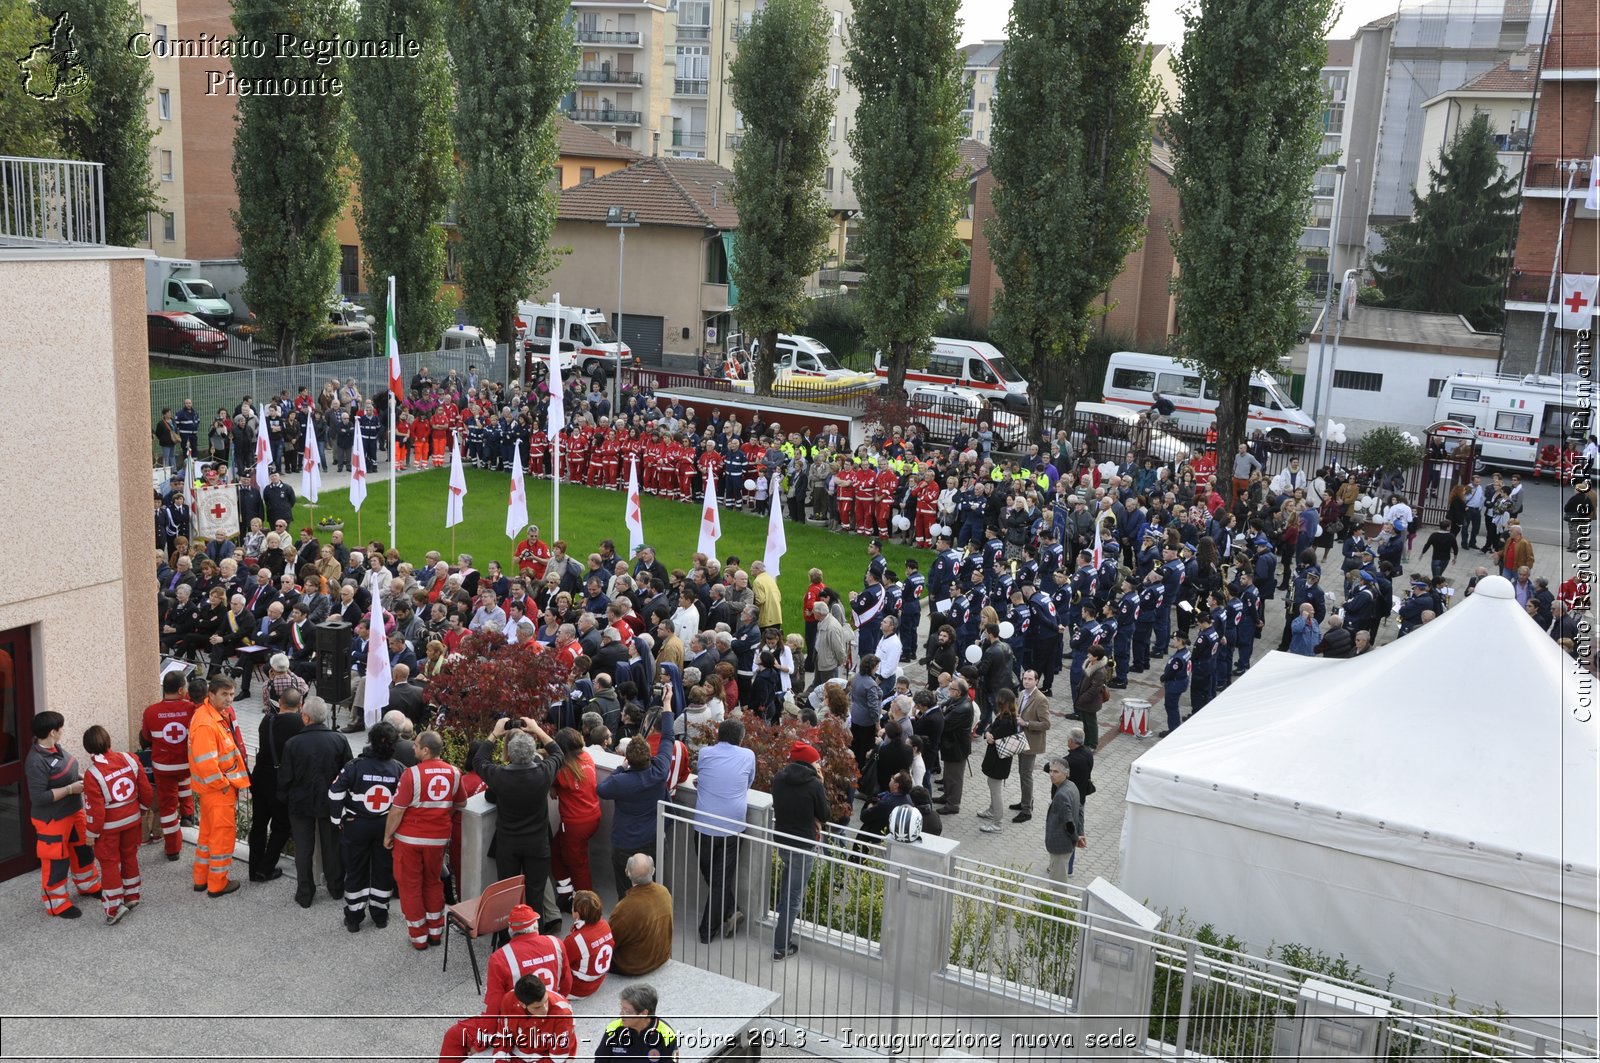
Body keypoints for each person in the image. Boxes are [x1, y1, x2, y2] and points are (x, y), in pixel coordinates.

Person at [475, 716, 566, 937]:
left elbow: (479, 761)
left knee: (508, 893)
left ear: (511, 754)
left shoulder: (500, 776)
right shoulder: (543, 773)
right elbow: (558, 753)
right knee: (535, 894)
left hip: (509, 845)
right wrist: (538, 730)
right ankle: (535, 938)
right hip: (537, 845)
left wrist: (495, 733)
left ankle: (509, 938)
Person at [385, 729, 468, 949]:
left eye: (416, 745)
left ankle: (418, 937)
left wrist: (388, 835)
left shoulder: (412, 774)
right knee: (433, 881)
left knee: (410, 886)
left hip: (408, 841)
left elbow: (397, 810)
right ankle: (435, 930)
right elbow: (461, 804)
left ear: (426, 750)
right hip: (438, 840)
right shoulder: (455, 772)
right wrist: (442, 816)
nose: (413, 748)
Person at [277, 695, 352, 908]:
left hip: (300, 804)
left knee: (303, 849)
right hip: (331, 803)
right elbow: (347, 772)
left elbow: (285, 777)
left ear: (306, 717)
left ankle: (305, 893)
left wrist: (283, 798)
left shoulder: (293, 743)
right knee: (332, 846)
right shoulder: (339, 740)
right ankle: (336, 887)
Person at [596, 704, 677, 900]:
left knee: (626, 893)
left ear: (627, 758)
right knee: (651, 889)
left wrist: (620, 769)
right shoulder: (659, 772)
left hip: (624, 843)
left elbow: (601, 790)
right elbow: (668, 737)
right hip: (651, 841)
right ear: (649, 756)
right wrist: (667, 704)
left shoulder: (620, 781)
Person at [330, 720, 405, 932]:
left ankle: (353, 918)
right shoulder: (399, 769)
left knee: (355, 870)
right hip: (386, 827)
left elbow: (334, 794)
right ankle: (380, 916)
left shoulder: (354, 766)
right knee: (383, 870)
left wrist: (339, 820)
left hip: (357, 826)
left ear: (370, 740)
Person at [81, 724, 153, 925]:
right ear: (108, 741)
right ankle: (132, 895)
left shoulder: (92, 774)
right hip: (132, 819)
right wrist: (143, 809)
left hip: (108, 828)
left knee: (109, 863)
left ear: (88, 748)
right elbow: (146, 790)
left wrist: (91, 833)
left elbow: (95, 810)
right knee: (129, 855)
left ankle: (113, 907)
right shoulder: (129, 758)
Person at [693, 718, 755, 943]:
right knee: (719, 878)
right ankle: (730, 909)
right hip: (733, 826)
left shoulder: (705, 753)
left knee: (714, 876)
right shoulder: (748, 755)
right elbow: (747, 783)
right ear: (740, 739)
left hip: (704, 824)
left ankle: (707, 930)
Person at [189, 675, 251, 898]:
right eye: (224, 694)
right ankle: (217, 883)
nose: (229, 699)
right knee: (222, 838)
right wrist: (225, 786)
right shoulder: (207, 722)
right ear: (211, 694)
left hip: (211, 792)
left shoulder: (211, 715)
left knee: (207, 836)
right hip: (218, 791)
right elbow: (207, 764)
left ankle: (201, 879)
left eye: (232, 694)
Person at [770, 741, 829, 961]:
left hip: (783, 841)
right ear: (809, 763)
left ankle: (780, 928)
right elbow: (825, 814)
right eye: (816, 761)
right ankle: (781, 946)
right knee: (794, 897)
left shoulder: (778, 778)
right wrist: (821, 783)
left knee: (788, 890)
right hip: (803, 844)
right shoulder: (814, 784)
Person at [438, 975, 577, 1063]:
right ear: (522, 1004)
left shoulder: (562, 1013)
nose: (545, 1009)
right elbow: (503, 1039)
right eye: (537, 1007)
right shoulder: (509, 1002)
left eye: (546, 1002)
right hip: (518, 1054)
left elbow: (558, 1057)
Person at [247, 685, 304, 882]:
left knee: (259, 825)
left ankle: (254, 868)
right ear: (300, 705)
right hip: (281, 782)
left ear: (279, 702)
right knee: (281, 826)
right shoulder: (300, 724)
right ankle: (265, 868)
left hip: (260, 778)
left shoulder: (267, 721)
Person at [140, 671, 197, 862]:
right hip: (186, 764)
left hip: (163, 767)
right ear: (181, 690)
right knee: (184, 781)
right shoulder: (192, 708)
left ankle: (172, 849)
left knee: (167, 808)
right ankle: (188, 813)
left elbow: (147, 737)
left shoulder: (150, 711)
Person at [549, 728, 601, 914]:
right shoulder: (586, 758)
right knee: (555, 851)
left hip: (574, 825)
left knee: (578, 865)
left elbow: (547, 771)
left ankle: (587, 907)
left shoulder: (563, 772)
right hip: (591, 818)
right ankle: (565, 894)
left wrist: (553, 787)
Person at [483, 903, 571, 1010]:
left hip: (520, 1016)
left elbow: (495, 1001)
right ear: (535, 926)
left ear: (511, 930)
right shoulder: (556, 943)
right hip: (551, 1006)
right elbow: (566, 983)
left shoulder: (499, 957)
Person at [609, 853, 672, 976]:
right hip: (662, 957)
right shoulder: (664, 892)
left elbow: (609, 940)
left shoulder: (625, 907)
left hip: (633, 967)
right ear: (653, 871)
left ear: (627, 872)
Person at [596, 984, 681, 1061]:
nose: (621, 1014)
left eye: (627, 1011)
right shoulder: (614, 1028)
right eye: (622, 1008)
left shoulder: (667, 1035)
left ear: (644, 1013)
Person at [1011, 670, 1051, 823]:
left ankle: (1027, 810)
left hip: (1031, 743)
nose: (1026, 681)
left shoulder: (1041, 699)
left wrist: (1026, 723)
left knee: (1026, 775)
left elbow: (1046, 724)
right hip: (1021, 739)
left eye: (1030, 679)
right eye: (1025, 678)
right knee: (1022, 773)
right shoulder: (1022, 694)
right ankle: (1024, 801)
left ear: (1036, 681)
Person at [978, 689, 1020, 834]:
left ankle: (997, 823)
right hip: (999, 759)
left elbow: (993, 736)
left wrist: (990, 735)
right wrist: (989, 733)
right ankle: (991, 810)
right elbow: (990, 730)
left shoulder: (1006, 721)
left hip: (999, 760)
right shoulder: (1006, 717)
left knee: (996, 791)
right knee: (992, 784)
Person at [563, 890, 615, 997]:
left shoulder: (574, 940)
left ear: (576, 913)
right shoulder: (605, 924)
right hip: (598, 981)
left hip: (578, 989)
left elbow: (562, 964)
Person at [935, 676, 975, 815]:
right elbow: (943, 705)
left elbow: (944, 722)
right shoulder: (957, 700)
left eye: (951, 688)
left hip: (956, 747)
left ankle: (953, 804)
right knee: (948, 774)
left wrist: (939, 713)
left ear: (958, 692)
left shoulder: (962, 708)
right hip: (951, 745)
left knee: (954, 778)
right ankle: (946, 796)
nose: (948, 691)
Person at [1043, 757, 1083, 884]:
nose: (1051, 775)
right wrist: (1080, 833)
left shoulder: (1061, 795)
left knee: (1057, 883)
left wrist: (1077, 838)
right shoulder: (1072, 786)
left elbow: (1069, 822)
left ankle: (1057, 903)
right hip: (1066, 845)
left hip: (1060, 845)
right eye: (1051, 771)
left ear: (1065, 773)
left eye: (1056, 772)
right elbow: (1080, 811)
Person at [1074, 645, 1109, 749]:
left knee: (1091, 723)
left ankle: (1092, 744)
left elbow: (1094, 690)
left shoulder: (1099, 672)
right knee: (1085, 722)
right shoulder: (1090, 663)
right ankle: (1087, 742)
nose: (1088, 655)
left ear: (1096, 657)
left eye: (1090, 654)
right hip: (1084, 699)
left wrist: (1082, 699)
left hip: (1090, 702)